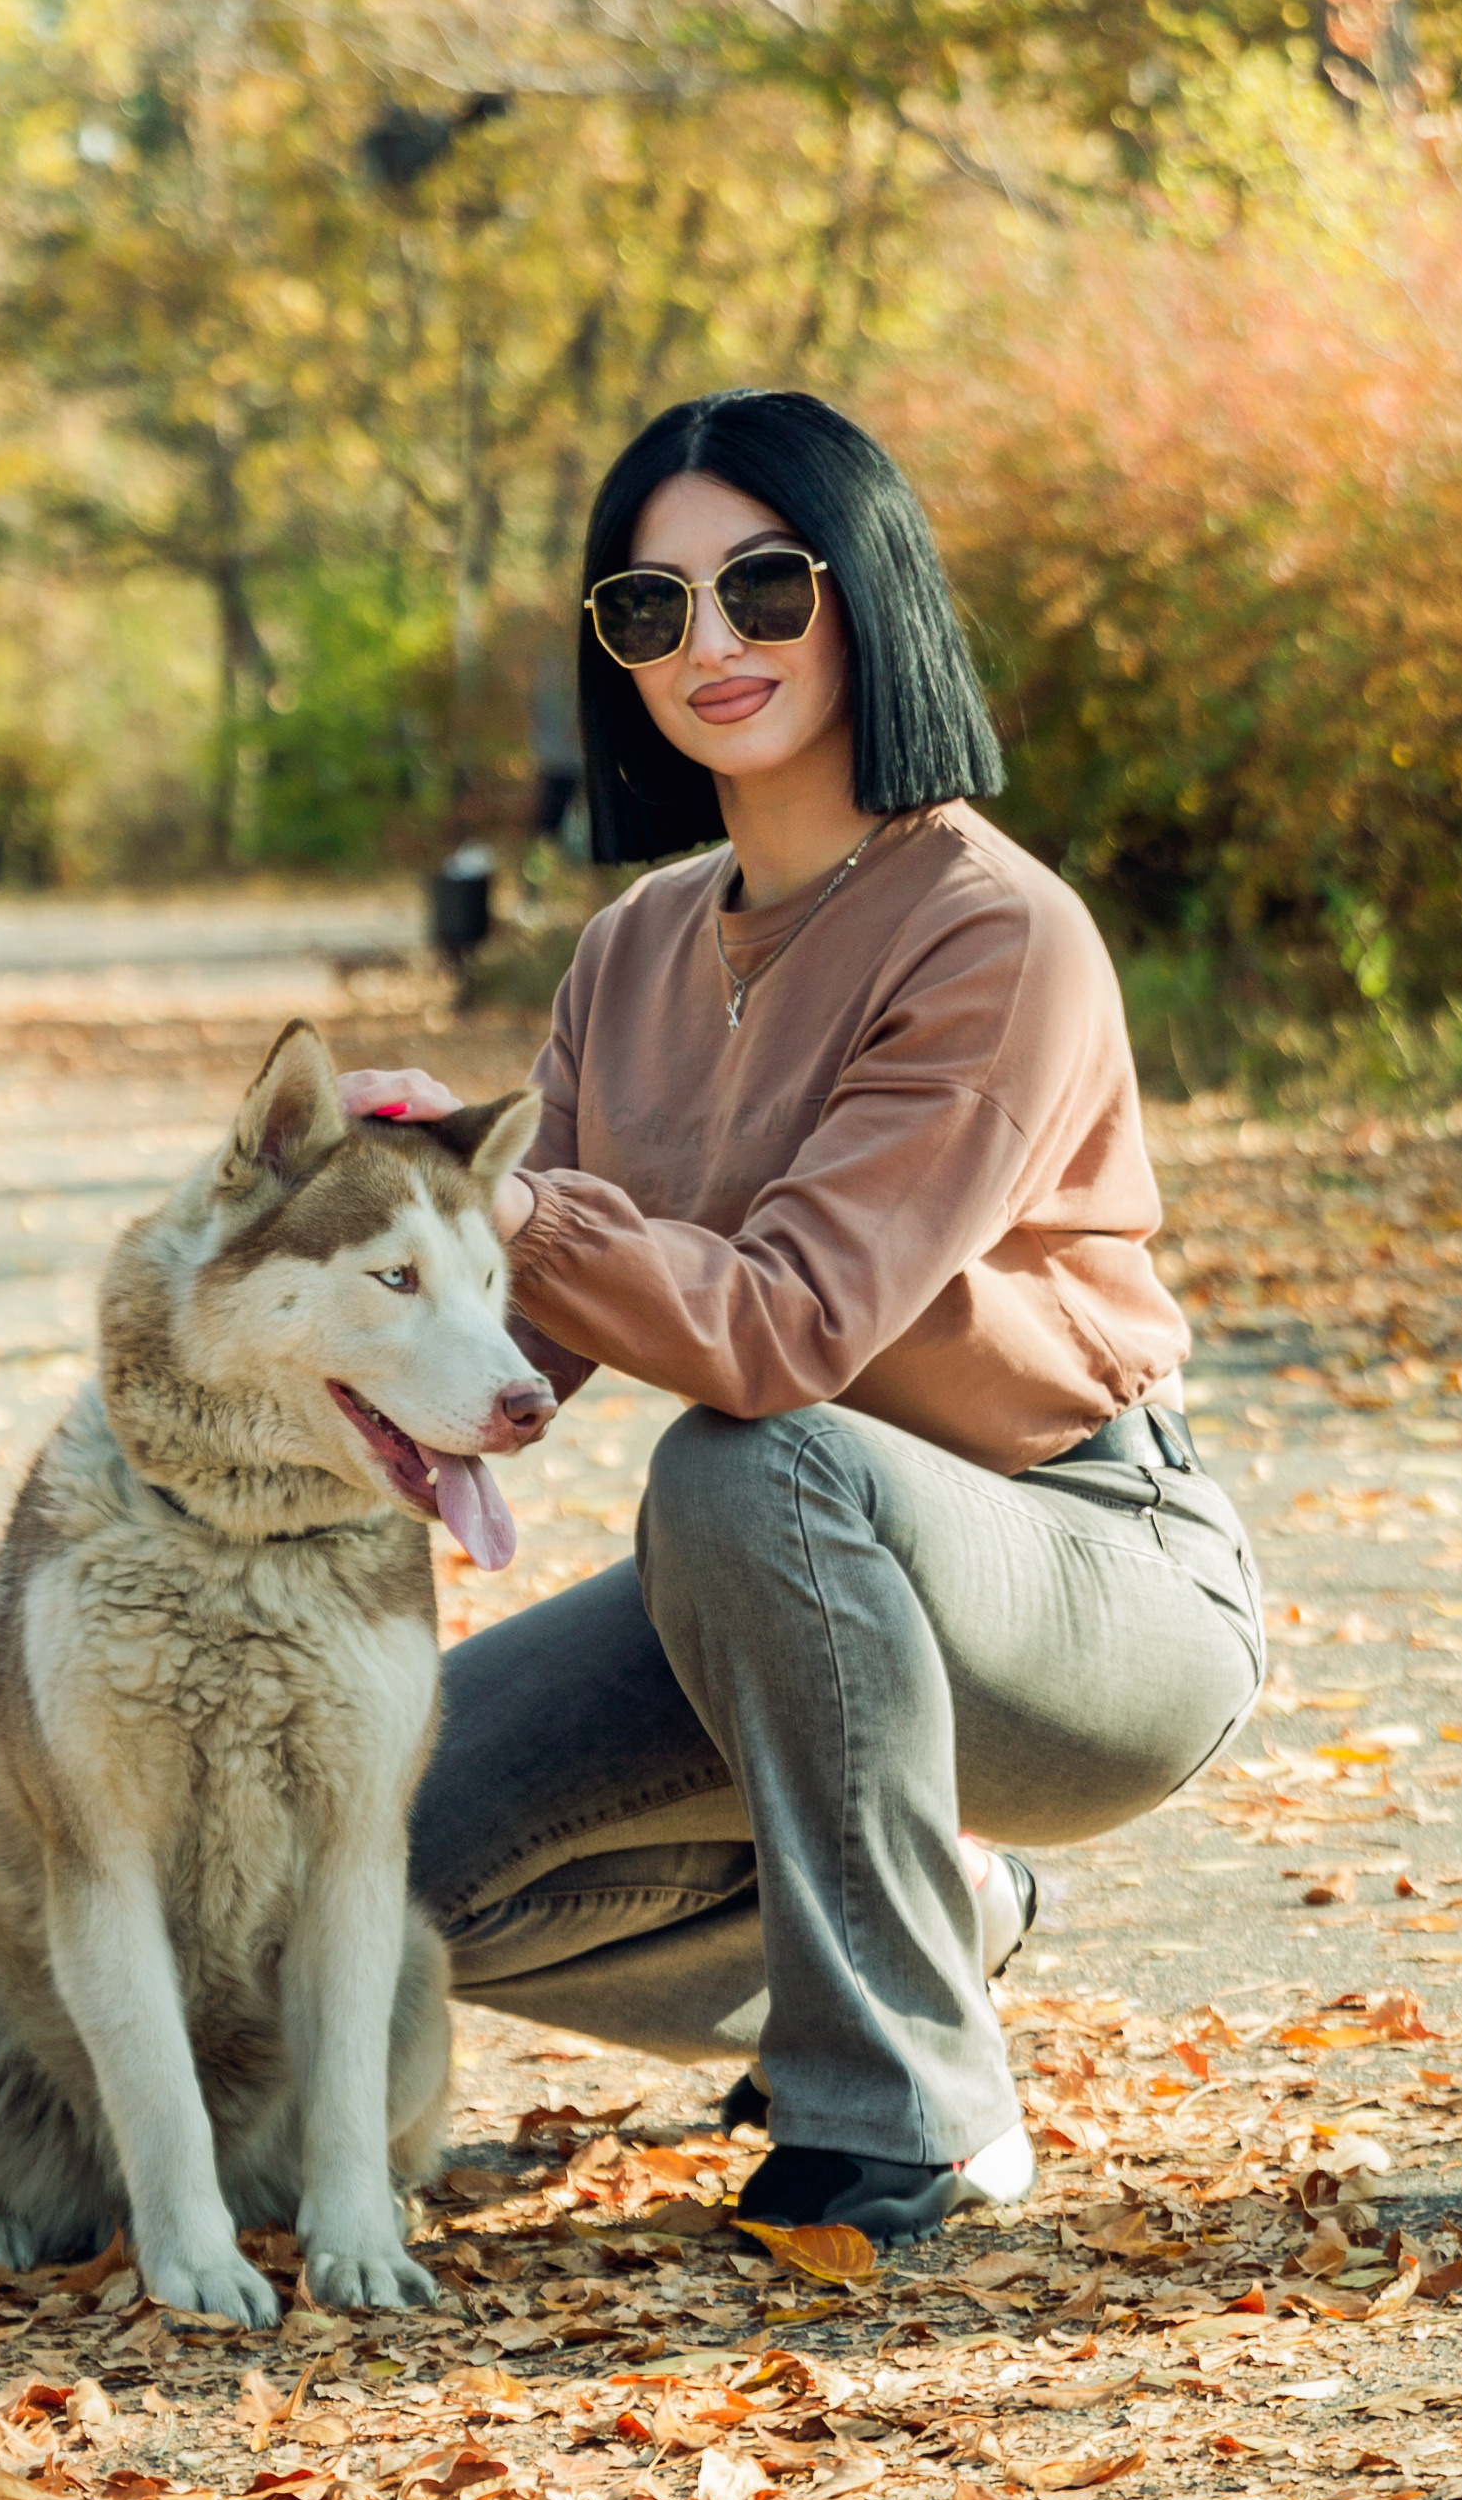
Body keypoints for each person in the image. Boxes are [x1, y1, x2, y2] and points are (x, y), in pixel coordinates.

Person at [340, 387, 1265, 2245]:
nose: (713, 644)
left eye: (764, 587)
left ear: (870, 594)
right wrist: (379, 1280)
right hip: (768, 1591)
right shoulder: (632, 948)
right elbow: (540, 1342)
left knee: (744, 1458)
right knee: (366, 1860)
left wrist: (514, 1197)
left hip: (1087, 1576)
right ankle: (946, 1928)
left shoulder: (994, 930)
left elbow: (779, 1338)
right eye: (650, 608)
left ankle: (905, 2110)